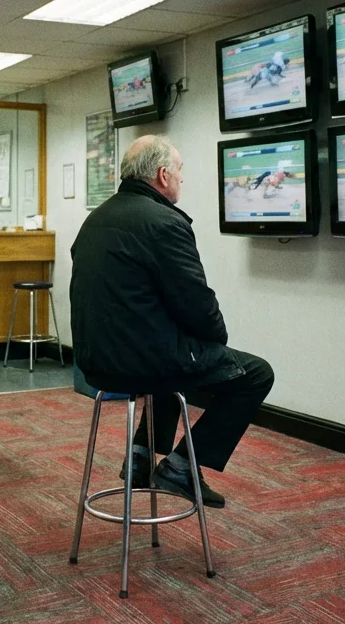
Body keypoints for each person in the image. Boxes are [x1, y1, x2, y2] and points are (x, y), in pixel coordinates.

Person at [70, 135, 275, 509]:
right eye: (180, 170)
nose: (182, 178)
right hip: (141, 362)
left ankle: (139, 458)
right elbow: (196, 303)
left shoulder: (95, 219)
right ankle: (181, 467)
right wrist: (217, 341)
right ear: (164, 175)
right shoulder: (164, 222)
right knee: (256, 374)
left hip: (93, 362)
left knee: (169, 359)